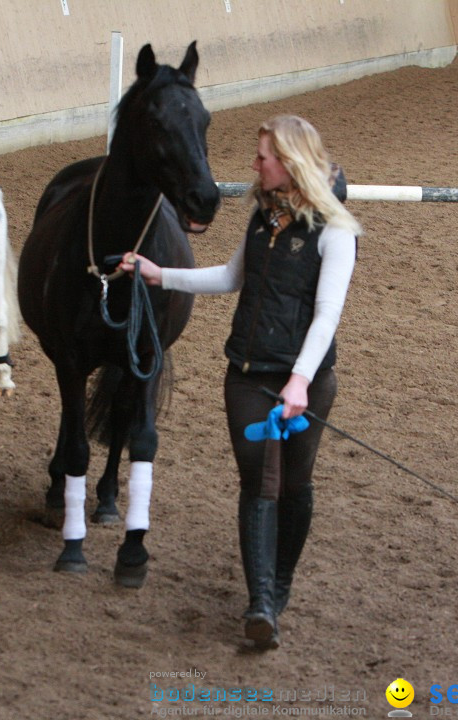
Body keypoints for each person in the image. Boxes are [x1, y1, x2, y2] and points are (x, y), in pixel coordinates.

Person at [119, 115, 362, 650]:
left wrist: (299, 382)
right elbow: (231, 278)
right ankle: (260, 604)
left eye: (263, 158)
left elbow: (327, 316)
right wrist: (161, 274)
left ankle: (280, 585)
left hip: (307, 382)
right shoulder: (261, 216)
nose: (254, 166)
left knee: (295, 486)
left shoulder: (337, 231)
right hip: (248, 375)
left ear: (290, 162)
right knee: (259, 482)